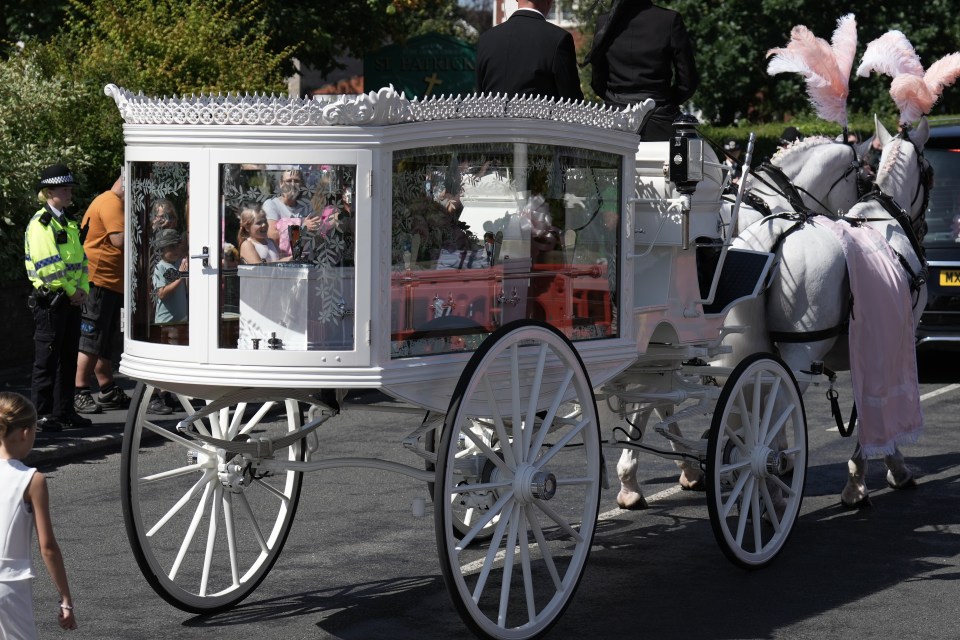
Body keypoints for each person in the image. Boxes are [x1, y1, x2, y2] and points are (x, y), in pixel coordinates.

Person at [0, 392, 77, 637]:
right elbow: (48, 547)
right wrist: (65, 598)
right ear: (25, 432)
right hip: (10, 584)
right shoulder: (32, 480)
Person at [23, 164, 91, 433]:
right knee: (47, 360)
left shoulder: (68, 221)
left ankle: (64, 411)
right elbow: (49, 266)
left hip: (71, 299)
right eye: (64, 188)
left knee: (68, 357)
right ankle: (42, 414)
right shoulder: (41, 225)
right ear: (49, 191)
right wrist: (74, 292)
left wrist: (82, 288)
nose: (69, 191)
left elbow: (81, 260)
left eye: (70, 187)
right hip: (51, 301)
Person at [585, 0, 699, 141]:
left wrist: (616, 101)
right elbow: (688, 82)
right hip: (659, 121)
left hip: (614, 120)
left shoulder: (604, 21)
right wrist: (664, 101)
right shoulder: (669, 19)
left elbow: (597, 81)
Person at [73, 174, 131, 416]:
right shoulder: (110, 202)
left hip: (109, 282)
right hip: (98, 280)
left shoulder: (113, 202)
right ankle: (80, 391)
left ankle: (106, 387)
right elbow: (119, 240)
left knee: (104, 338)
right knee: (91, 336)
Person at [475, 0, 584, 101]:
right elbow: (573, 104)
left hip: (492, 121)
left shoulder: (485, 40)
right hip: (540, 121)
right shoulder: (559, 39)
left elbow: (481, 97)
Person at [263, 169, 317, 256]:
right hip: (282, 262)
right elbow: (272, 236)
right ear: (281, 184)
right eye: (288, 181)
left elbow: (315, 233)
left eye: (296, 181)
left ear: (302, 184)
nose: (292, 184)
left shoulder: (307, 206)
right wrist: (302, 225)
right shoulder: (271, 204)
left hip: (305, 260)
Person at [152, 229, 188, 325]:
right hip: (166, 321)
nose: (176, 249)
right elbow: (162, 294)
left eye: (177, 246)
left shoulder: (179, 263)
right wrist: (180, 276)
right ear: (162, 249)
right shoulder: (160, 267)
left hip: (182, 320)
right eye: (171, 247)